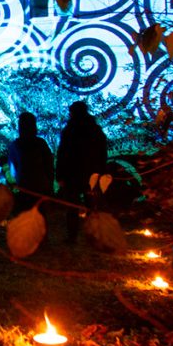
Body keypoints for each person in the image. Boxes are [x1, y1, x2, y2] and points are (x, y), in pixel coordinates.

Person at [55, 101, 108, 243]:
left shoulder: (69, 130)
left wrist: (60, 174)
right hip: (91, 175)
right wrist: (101, 172)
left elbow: (62, 154)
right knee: (91, 206)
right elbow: (103, 153)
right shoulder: (95, 130)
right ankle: (92, 237)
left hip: (72, 175)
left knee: (73, 207)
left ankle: (72, 237)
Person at [6, 112, 54, 216]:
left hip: (24, 187)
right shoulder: (41, 143)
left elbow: (13, 169)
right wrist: (49, 183)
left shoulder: (16, 145)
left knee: (26, 218)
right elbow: (49, 165)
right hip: (41, 187)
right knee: (40, 218)